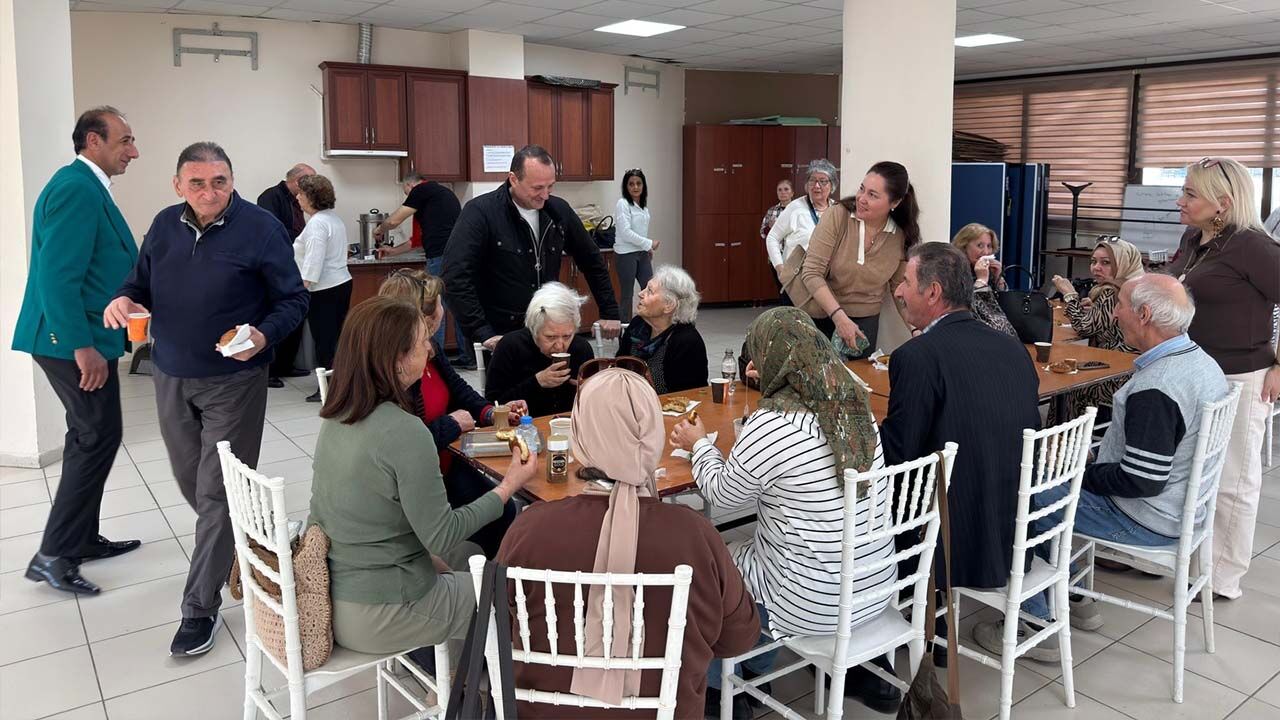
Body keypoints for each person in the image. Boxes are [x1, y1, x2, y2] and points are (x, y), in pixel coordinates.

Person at [104, 141, 308, 657]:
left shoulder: (261, 227)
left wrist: (263, 336)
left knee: (216, 494)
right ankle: (257, 539)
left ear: (232, 180)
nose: (209, 192)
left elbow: (293, 299)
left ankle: (199, 608)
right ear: (178, 186)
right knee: (192, 481)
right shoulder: (163, 225)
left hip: (234, 379)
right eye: (197, 183)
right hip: (170, 373)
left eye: (219, 181)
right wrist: (124, 299)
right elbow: (138, 284)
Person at [973, 275, 1229, 657]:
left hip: (1147, 517)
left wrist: (1077, 470)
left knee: (1020, 491)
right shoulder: (1201, 362)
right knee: (1046, 477)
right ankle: (1073, 595)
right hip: (1182, 509)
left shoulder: (1157, 387)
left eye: (1121, 305)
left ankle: (1033, 619)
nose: (1114, 313)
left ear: (1143, 315)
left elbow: (1141, 480)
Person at [670, 306, 902, 715]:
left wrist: (699, 444)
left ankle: (725, 689)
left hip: (812, 602)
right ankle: (757, 672)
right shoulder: (856, 407)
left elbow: (723, 496)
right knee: (757, 551)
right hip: (875, 585)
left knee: (708, 564)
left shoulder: (774, 422)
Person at [497, 368, 760, 720]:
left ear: (579, 435)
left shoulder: (529, 528)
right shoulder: (695, 535)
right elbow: (739, 638)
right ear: (653, 435)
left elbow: (499, 624)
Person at [310, 296, 537, 657]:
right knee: (515, 596)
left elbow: (367, 521)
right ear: (397, 361)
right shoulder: (406, 432)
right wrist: (509, 485)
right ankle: (490, 695)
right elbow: (441, 531)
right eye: (421, 343)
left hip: (338, 594)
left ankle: (450, 666)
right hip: (382, 609)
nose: (430, 350)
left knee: (468, 554)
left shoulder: (338, 416)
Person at [13, 106, 142, 595]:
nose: (134, 151)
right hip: (68, 341)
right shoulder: (75, 188)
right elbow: (56, 276)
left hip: (82, 337)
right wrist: (81, 346)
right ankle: (53, 554)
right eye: (125, 141)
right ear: (94, 141)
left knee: (92, 436)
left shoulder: (87, 186)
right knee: (96, 436)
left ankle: (81, 538)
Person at [882, 243, 1041, 592]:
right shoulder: (1012, 347)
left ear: (933, 292)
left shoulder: (917, 356)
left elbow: (898, 456)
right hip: (1013, 531)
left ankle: (905, 620)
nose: (898, 291)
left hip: (949, 544)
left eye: (906, 282)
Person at [1167, 156, 1280, 600]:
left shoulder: (1253, 245)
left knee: (1233, 478)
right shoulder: (1194, 239)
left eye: (1190, 194)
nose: (1181, 200)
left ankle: (1221, 576)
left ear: (1223, 203)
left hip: (1240, 375)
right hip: (1191, 370)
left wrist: (1279, 365)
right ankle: (1179, 553)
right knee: (1186, 468)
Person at [377, 270, 526, 557]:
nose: (445, 310)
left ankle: (490, 571)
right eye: (441, 304)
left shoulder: (429, 349)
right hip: (425, 478)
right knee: (501, 509)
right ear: (427, 318)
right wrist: (451, 425)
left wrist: (492, 413)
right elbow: (404, 447)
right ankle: (487, 580)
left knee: (503, 511)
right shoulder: (399, 372)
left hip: (448, 463)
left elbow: (457, 388)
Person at [443, 145, 620, 353]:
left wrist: (609, 311)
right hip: (501, 336)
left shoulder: (558, 211)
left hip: (549, 331)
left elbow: (592, 261)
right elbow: (454, 277)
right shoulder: (481, 212)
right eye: (537, 188)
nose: (545, 195)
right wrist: (482, 331)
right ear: (513, 179)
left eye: (551, 187)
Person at [803, 161, 921, 356]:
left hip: (865, 324)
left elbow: (899, 288)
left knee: (860, 382)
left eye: (872, 195)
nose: (861, 198)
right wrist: (839, 317)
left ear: (895, 203)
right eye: (862, 189)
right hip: (823, 315)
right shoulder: (838, 216)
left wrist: (916, 329)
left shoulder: (901, 235)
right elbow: (812, 271)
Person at [373, 173, 471, 367]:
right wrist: (392, 252)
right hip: (457, 255)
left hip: (440, 256)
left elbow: (393, 221)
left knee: (432, 303)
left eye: (406, 192)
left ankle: (436, 357)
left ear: (410, 185)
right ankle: (468, 357)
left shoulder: (421, 189)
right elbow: (416, 241)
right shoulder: (441, 194)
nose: (408, 197)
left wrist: (379, 230)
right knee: (456, 304)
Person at [1048, 236, 1145, 421]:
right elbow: (1103, 322)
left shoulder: (1113, 291)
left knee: (1067, 384)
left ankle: (1064, 442)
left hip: (1118, 376)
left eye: (1106, 263)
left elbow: (1084, 327)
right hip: (1134, 370)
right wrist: (1096, 309)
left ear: (1123, 263)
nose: (1096, 267)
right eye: (1093, 261)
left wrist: (1069, 294)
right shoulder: (1136, 286)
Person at [485, 282, 595, 417]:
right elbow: (492, 403)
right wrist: (537, 382)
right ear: (534, 330)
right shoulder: (510, 346)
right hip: (524, 428)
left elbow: (593, 406)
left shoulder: (581, 348)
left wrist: (588, 390)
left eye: (567, 336)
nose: (560, 345)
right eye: (550, 337)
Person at [293, 173, 352, 402]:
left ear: (310, 196)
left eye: (300, 193)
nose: (297, 197)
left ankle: (328, 389)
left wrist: (301, 286)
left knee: (324, 340)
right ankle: (340, 385)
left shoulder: (318, 223)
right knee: (335, 338)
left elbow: (313, 260)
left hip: (324, 289)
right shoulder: (332, 218)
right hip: (340, 283)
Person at [257, 162, 316, 386]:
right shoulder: (270, 197)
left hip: (295, 263)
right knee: (277, 315)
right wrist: (305, 239)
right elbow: (273, 231)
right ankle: (270, 370)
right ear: (299, 181)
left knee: (296, 316)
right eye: (310, 180)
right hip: (276, 266)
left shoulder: (298, 199)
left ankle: (286, 365)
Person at [617, 266, 708, 394]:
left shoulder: (686, 341)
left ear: (669, 305)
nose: (640, 294)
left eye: (649, 291)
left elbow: (687, 396)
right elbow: (619, 367)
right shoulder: (637, 325)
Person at [767, 160, 837, 306]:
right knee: (797, 323)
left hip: (826, 280)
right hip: (796, 280)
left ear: (832, 185)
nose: (817, 186)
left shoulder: (836, 210)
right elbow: (772, 237)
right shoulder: (795, 208)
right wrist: (780, 267)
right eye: (813, 180)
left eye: (823, 181)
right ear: (807, 185)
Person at [951, 223, 1017, 337]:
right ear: (964, 246)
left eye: (989, 246)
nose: (986, 252)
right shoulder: (954, 271)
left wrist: (998, 278)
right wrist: (981, 280)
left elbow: (1003, 307)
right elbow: (969, 309)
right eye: (980, 245)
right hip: (970, 334)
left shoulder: (988, 270)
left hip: (996, 332)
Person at [614, 168, 658, 324]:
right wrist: (649, 243)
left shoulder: (643, 207)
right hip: (626, 254)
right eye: (631, 184)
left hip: (642, 253)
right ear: (626, 187)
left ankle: (649, 326)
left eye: (639, 183)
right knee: (627, 294)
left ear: (643, 185)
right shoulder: (623, 204)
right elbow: (626, 233)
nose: (635, 187)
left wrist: (647, 248)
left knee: (651, 289)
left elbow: (640, 231)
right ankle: (624, 334)